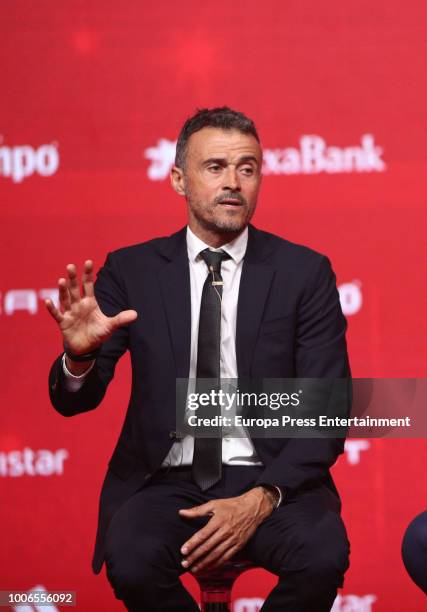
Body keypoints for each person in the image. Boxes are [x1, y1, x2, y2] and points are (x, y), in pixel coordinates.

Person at [46, 107, 351, 611]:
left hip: (274, 482)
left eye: (247, 168)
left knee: (321, 555)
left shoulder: (305, 273)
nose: (233, 182)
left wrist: (260, 498)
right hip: (168, 479)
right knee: (133, 557)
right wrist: (78, 359)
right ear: (179, 180)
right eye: (215, 167)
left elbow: (327, 410)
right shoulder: (132, 270)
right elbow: (77, 400)